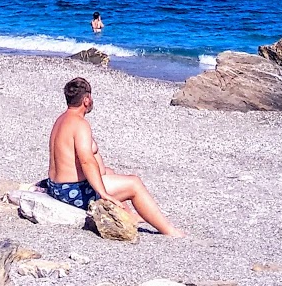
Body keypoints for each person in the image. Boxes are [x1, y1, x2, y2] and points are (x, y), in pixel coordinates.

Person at [41, 76, 183, 237]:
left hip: (57, 186)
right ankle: (169, 231)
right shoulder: (79, 124)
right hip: (70, 192)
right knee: (134, 183)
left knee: (109, 171)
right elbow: (87, 161)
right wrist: (103, 193)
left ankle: (128, 217)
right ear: (86, 99)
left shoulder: (62, 119)